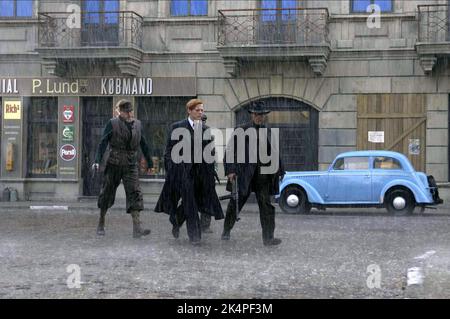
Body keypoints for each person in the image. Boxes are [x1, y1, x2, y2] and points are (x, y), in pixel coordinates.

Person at [154, 99, 224, 245]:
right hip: (183, 173)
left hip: (200, 175)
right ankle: (195, 236)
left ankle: (176, 219)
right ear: (189, 111)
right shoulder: (177, 127)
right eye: (197, 110)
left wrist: (210, 174)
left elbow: (209, 154)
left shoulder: (205, 129)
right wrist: (172, 169)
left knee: (197, 202)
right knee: (190, 203)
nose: (200, 113)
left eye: (202, 110)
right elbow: (168, 151)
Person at [222, 100, 285, 246]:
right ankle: (226, 230)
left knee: (267, 207)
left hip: (263, 176)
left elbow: (275, 153)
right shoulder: (241, 130)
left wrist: (280, 169)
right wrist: (230, 170)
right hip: (244, 175)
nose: (259, 117)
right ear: (252, 115)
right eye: (257, 114)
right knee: (235, 204)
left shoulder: (269, 132)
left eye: (262, 114)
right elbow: (230, 151)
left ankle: (268, 238)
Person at [92, 99, 152, 238]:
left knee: (135, 193)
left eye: (131, 111)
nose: (129, 114)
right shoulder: (112, 123)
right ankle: (101, 222)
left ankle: (137, 228)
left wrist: (149, 162)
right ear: (120, 112)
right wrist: (97, 160)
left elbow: (143, 143)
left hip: (131, 164)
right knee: (107, 193)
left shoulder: (137, 124)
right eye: (126, 112)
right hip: (114, 163)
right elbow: (103, 143)